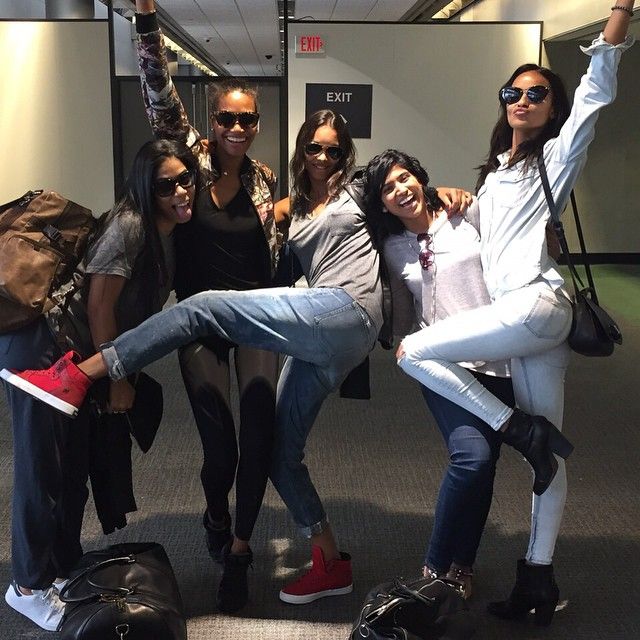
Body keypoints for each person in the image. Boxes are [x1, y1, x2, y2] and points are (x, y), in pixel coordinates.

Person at [1, 109, 469, 606]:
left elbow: (399, 184)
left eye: (334, 149)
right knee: (280, 454)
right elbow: (172, 120)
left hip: (346, 310)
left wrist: (439, 192)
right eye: (314, 147)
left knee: (202, 307)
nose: (323, 157)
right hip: (322, 336)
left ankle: (77, 375)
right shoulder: (288, 205)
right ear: (301, 150)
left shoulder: (355, 190)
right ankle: (329, 561)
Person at [393, 3, 634, 625]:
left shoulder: (554, 157)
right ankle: (537, 579)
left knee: (413, 352)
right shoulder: (497, 172)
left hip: (536, 305)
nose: (522, 100)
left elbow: (595, 92)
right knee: (547, 455)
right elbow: (487, 233)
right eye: (513, 92)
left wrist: (620, 10)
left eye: (536, 94)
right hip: (530, 328)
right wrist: (456, 197)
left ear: (552, 108)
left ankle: (512, 426)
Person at [1, 138, 197, 632]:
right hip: (45, 355)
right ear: (145, 187)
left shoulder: (165, 231)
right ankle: (26, 586)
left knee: (72, 471)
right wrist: (118, 378)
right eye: (166, 185)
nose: (180, 190)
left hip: (77, 359)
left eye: (185, 178)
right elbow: (99, 306)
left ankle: (60, 566)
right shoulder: (131, 225)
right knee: (42, 472)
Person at [134, 0, 280, 613]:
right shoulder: (187, 165)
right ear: (212, 122)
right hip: (199, 322)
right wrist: (147, 17)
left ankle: (240, 552)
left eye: (247, 119)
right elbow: (158, 89)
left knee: (260, 431)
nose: (237, 128)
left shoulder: (265, 181)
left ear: (256, 123)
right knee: (220, 446)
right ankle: (216, 515)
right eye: (227, 118)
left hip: (256, 322)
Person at [364, 149, 515, 599]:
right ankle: (433, 572)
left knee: (484, 469)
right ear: (382, 203)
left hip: (498, 358)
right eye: (387, 189)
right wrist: (402, 345)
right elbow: (404, 309)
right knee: (472, 457)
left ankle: (462, 567)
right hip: (442, 365)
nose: (400, 190)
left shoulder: (465, 214)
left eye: (404, 178)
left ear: (420, 177)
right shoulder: (392, 247)